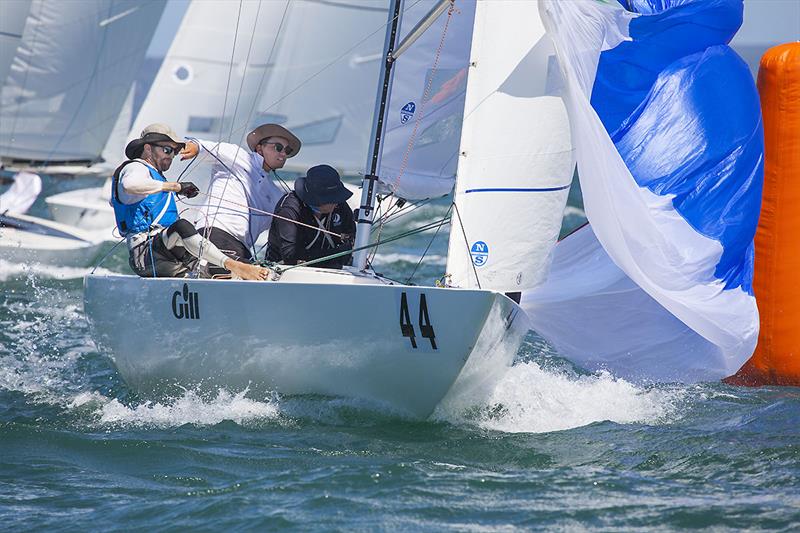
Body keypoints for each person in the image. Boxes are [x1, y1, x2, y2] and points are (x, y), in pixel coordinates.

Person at [111, 123, 269, 281]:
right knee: (182, 227)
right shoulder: (136, 167)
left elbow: (116, 201)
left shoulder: (154, 177)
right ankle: (234, 266)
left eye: (175, 152)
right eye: (167, 150)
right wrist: (176, 187)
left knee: (220, 262)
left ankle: (247, 271)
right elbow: (129, 185)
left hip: (169, 254)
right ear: (147, 149)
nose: (171, 156)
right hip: (145, 256)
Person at [179, 124, 301, 273]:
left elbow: (288, 222)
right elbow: (206, 147)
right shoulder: (239, 156)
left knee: (260, 278)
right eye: (278, 147)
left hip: (242, 248)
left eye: (287, 151)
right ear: (259, 148)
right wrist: (195, 147)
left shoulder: (276, 194)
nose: (283, 153)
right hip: (214, 233)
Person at [266, 164, 355, 269]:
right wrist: (337, 254)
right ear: (316, 199)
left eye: (337, 197)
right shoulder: (289, 209)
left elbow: (350, 238)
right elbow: (291, 256)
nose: (336, 203)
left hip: (331, 271)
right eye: (331, 199)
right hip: (286, 271)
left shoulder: (339, 204)